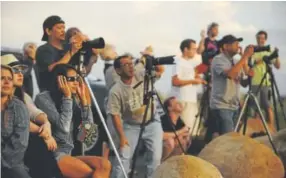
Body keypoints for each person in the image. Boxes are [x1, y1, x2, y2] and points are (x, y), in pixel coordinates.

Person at [35, 64, 111, 178]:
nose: (76, 82)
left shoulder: (74, 99)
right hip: (52, 154)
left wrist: (85, 104)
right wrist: (67, 97)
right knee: (90, 174)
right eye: (71, 79)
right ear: (59, 80)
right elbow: (64, 128)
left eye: (77, 79)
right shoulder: (43, 98)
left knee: (105, 164)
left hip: (70, 154)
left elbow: (87, 138)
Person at [1, 54, 60, 178]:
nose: (20, 74)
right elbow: (22, 124)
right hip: (12, 154)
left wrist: (46, 124)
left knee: (40, 146)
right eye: (15, 70)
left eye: (21, 70)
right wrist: (41, 131)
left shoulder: (22, 97)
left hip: (17, 152)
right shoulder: (11, 100)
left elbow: (34, 112)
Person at [107, 54, 164, 178]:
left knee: (155, 158)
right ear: (118, 70)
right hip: (131, 125)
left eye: (131, 63)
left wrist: (153, 60)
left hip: (152, 122)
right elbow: (115, 115)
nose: (130, 66)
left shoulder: (141, 75)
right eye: (125, 65)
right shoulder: (116, 90)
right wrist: (122, 138)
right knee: (124, 157)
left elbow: (160, 71)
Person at [210, 34, 253, 135]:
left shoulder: (236, 61)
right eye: (235, 43)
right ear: (225, 46)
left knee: (232, 140)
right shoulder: (218, 59)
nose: (238, 46)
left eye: (238, 43)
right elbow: (230, 74)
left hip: (234, 106)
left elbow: (244, 83)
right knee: (227, 139)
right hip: (222, 106)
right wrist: (245, 56)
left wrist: (250, 76)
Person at [36, 15, 83, 92]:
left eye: (64, 28)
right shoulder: (43, 50)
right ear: (48, 31)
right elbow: (53, 69)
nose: (63, 31)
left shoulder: (68, 48)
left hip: (71, 93)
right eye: (59, 28)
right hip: (51, 94)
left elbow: (79, 72)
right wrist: (72, 52)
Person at [1, 65, 31, 178]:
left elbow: (19, 144)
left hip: (12, 163)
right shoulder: (44, 98)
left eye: (9, 78)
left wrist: (85, 106)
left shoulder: (19, 106)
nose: (7, 82)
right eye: (2, 78)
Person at [171, 39, 206, 136]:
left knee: (192, 129)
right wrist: (193, 81)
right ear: (186, 49)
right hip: (182, 99)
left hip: (191, 99)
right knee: (185, 130)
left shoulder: (190, 63)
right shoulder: (179, 62)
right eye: (193, 49)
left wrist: (198, 79)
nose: (195, 51)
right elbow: (175, 81)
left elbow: (189, 78)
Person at [250, 30, 281, 124]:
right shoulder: (252, 51)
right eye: (258, 38)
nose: (260, 40)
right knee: (256, 109)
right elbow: (249, 64)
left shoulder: (269, 50)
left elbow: (278, 66)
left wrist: (276, 54)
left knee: (268, 107)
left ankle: (271, 130)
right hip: (254, 82)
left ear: (265, 39)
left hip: (266, 82)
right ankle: (257, 130)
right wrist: (258, 61)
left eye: (262, 38)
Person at [161, 96, 191, 161]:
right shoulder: (163, 120)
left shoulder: (179, 121)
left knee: (183, 139)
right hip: (159, 148)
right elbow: (161, 136)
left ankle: (174, 161)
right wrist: (181, 131)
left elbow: (185, 134)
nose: (179, 103)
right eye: (176, 103)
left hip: (172, 149)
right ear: (169, 108)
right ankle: (160, 163)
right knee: (170, 141)